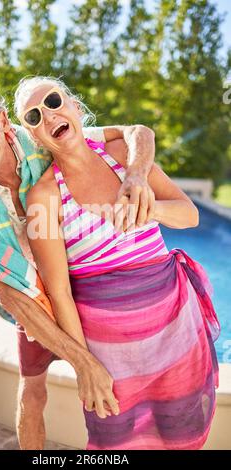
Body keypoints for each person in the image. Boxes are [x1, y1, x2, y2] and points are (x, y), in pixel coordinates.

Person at [0, 79, 156, 450]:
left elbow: (137, 132)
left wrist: (135, 175)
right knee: (33, 392)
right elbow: (9, 295)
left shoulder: (39, 134)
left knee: (125, 391)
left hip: (81, 276)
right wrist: (82, 362)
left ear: (3, 120)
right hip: (31, 295)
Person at [16, 76, 220, 450]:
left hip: (177, 332)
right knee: (117, 444)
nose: (47, 116)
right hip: (112, 358)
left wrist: (149, 207)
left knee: (183, 433)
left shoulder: (124, 157)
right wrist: (85, 367)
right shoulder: (44, 196)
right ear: (35, 138)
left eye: (53, 101)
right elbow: (60, 292)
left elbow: (189, 215)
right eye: (33, 116)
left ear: (74, 106)